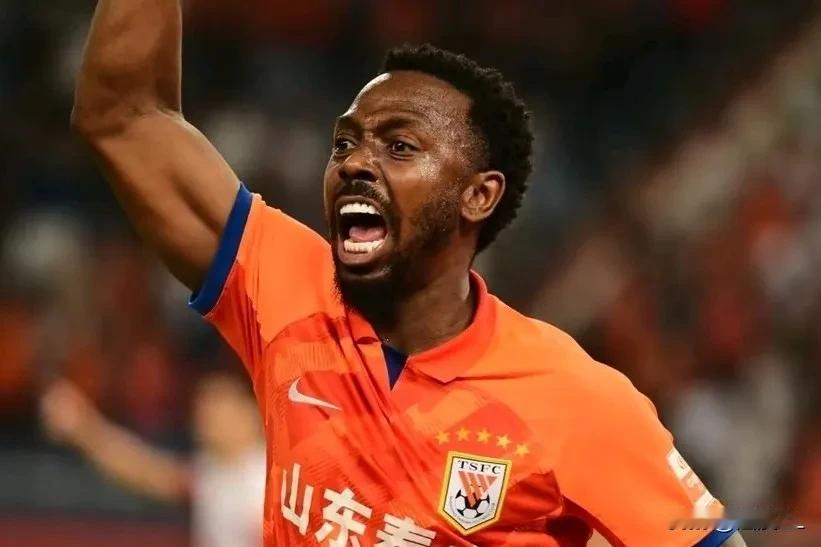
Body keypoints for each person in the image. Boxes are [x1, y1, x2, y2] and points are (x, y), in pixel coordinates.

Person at [70, 1, 747, 545]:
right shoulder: (286, 283)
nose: (353, 163)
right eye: (344, 142)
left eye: (398, 146)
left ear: (478, 195)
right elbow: (123, 116)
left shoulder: (573, 398)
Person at [40, 373, 265, 547]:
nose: (209, 421)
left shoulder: (271, 474)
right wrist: (85, 428)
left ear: (250, 412)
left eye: (220, 410)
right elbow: (144, 470)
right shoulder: (210, 475)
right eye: (204, 413)